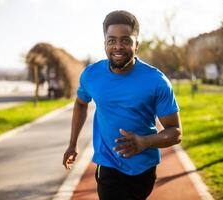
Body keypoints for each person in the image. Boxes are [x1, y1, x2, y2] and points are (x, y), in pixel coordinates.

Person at [63, 10, 182, 200]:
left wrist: (144, 142)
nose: (118, 46)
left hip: (144, 168)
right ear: (105, 44)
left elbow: (175, 132)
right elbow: (80, 103)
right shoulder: (91, 75)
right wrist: (72, 144)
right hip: (108, 164)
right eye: (112, 40)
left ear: (137, 45)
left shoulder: (156, 81)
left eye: (126, 40)